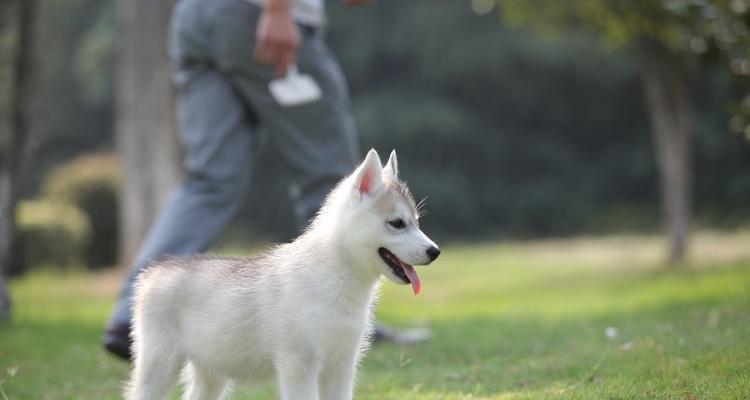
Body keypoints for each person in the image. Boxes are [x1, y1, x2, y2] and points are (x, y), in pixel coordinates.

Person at [103, 0, 428, 361]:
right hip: (258, 16)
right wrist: (278, 11)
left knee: (210, 182)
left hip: (194, 18)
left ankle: (134, 316)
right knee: (341, 182)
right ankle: (337, 315)